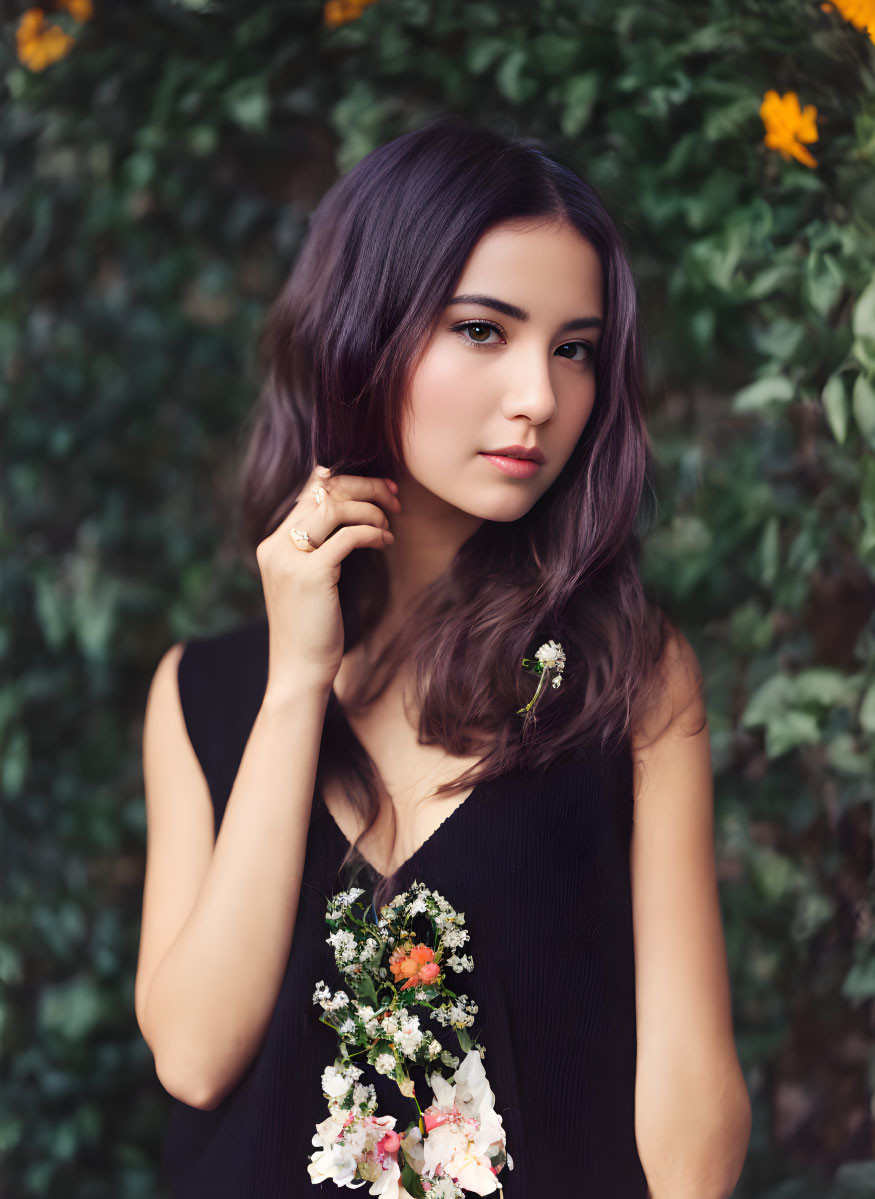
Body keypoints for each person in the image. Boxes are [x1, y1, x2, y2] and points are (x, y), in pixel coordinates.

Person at [134, 115, 751, 1198]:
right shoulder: (203, 691)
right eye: (482, 330)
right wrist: (296, 683)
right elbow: (193, 1055)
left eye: (572, 349)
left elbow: (690, 1119)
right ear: (367, 332)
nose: (540, 398)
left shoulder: (627, 678)